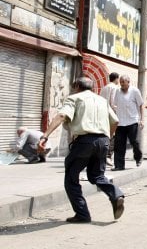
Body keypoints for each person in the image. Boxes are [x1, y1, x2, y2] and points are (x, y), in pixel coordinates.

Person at [40, 76, 125, 223]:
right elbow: (115, 121)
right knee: (97, 176)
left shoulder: (74, 99)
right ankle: (116, 194)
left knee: (71, 178)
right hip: (103, 141)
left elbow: (61, 115)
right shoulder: (102, 100)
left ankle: (82, 214)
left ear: (77, 87)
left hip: (84, 141)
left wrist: (45, 135)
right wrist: (108, 138)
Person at [113, 74, 144, 170]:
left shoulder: (135, 91)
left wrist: (142, 119)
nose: (121, 84)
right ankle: (119, 165)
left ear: (128, 82)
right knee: (119, 144)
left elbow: (141, 105)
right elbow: (115, 105)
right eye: (120, 82)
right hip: (120, 122)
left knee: (134, 141)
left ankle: (138, 157)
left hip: (132, 121)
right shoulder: (117, 91)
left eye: (123, 82)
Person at [99, 72, 120, 166]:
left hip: (102, 114)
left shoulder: (104, 88)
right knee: (113, 135)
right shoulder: (115, 88)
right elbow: (113, 103)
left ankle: (102, 156)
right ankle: (108, 156)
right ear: (117, 79)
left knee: (105, 134)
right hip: (111, 114)